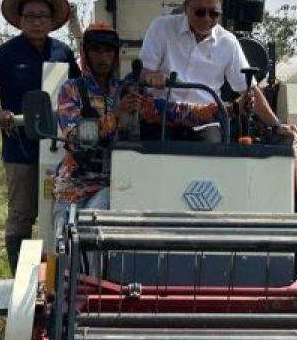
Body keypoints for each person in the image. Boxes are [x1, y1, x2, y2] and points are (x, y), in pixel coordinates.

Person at [0, 0, 79, 274]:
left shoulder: (63, 53)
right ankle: (19, 275)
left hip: (59, 146)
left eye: (42, 16)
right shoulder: (5, 54)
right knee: (21, 213)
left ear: (53, 20)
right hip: (20, 145)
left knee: (60, 210)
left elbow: (79, 90)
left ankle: (58, 271)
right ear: (19, 20)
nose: (37, 21)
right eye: (30, 16)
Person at [54, 22, 223, 208]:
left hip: (118, 186)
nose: (103, 57)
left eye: (109, 51)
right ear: (85, 53)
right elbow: (74, 138)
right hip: (73, 188)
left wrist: (226, 110)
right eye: (96, 50)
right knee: (63, 228)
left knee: (97, 214)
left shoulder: (128, 91)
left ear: (117, 55)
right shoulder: (71, 89)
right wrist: (116, 116)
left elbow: (177, 112)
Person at [139, 0, 296, 141]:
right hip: (163, 115)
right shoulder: (161, 27)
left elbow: (250, 90)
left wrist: (277, 125)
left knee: (213, 154)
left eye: (214, 13)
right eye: (200, 12)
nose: (207, 18)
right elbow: (142, 74)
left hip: (205, 122)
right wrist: (151, 77)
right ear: (185, 8)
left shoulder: (228, 42)